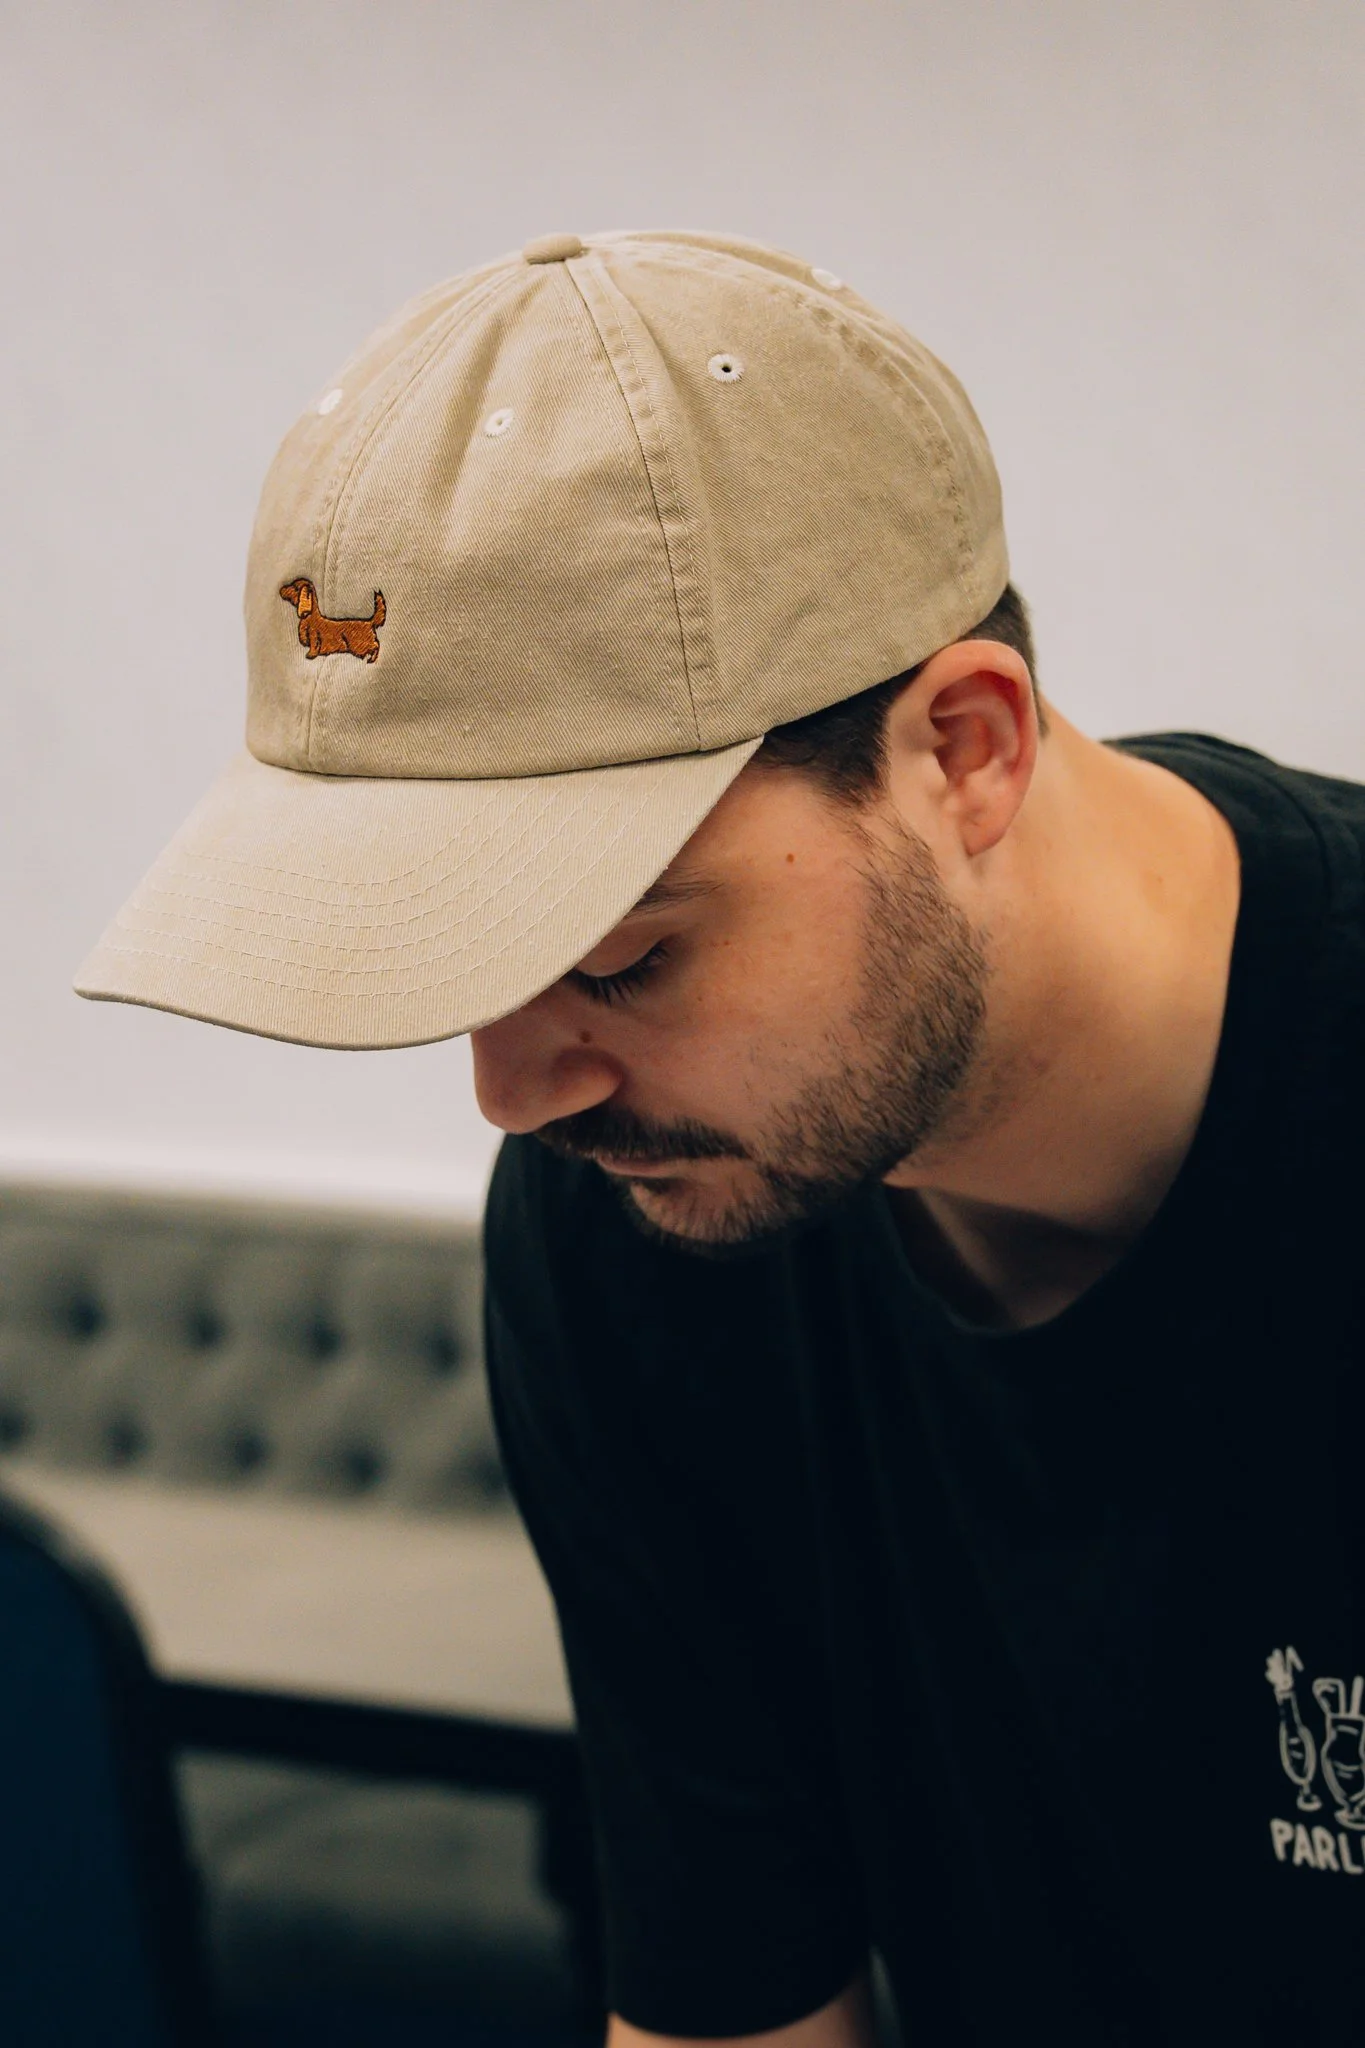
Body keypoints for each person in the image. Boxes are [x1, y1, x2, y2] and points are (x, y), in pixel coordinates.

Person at [76, 229, 1365, 2046]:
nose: (517, 1094)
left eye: (620, 956)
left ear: (965, 753)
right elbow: (733, 2009)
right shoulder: (637, 1229)